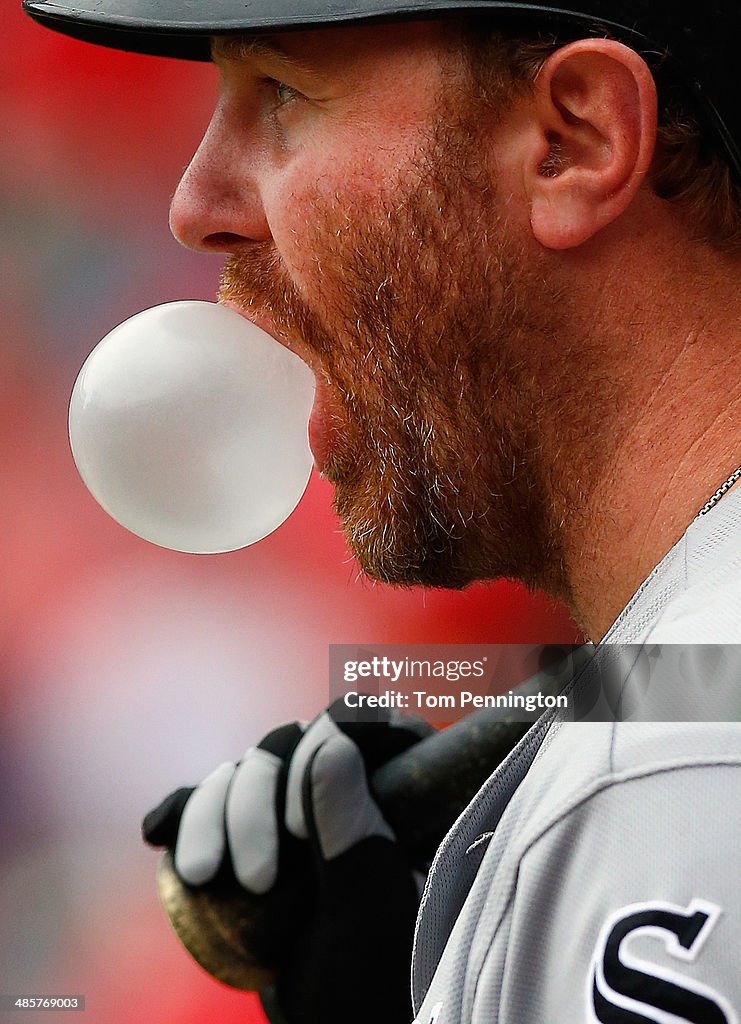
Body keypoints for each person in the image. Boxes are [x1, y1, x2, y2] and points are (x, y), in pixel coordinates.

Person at [24, 1, 741, 1022]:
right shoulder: (675, 703)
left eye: (280, 92)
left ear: (575, 138)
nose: (195, 204)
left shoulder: (669, 772)